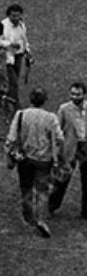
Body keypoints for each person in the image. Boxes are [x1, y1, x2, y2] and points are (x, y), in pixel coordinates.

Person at [8, 88, 62, 239]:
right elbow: (59, 138)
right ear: (45, 101)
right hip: (44, 160)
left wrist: (9, 153)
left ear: (30, 99)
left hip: (25, 159)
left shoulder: (21, 115)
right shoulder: (51, 118)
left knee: (26, 188)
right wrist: (56, 155)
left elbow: (12, 137)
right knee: (42, 191)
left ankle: (28, 215)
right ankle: (41, 220)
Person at [51, 81, 87, 221]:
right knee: (62, 179)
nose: (75, 96)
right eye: (72, 93)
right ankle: (52, 205)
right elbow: (58, 129)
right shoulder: (64, 109)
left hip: (85, 147)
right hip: (70, 147)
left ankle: (86, 212)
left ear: (84, 94)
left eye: (78, 94)